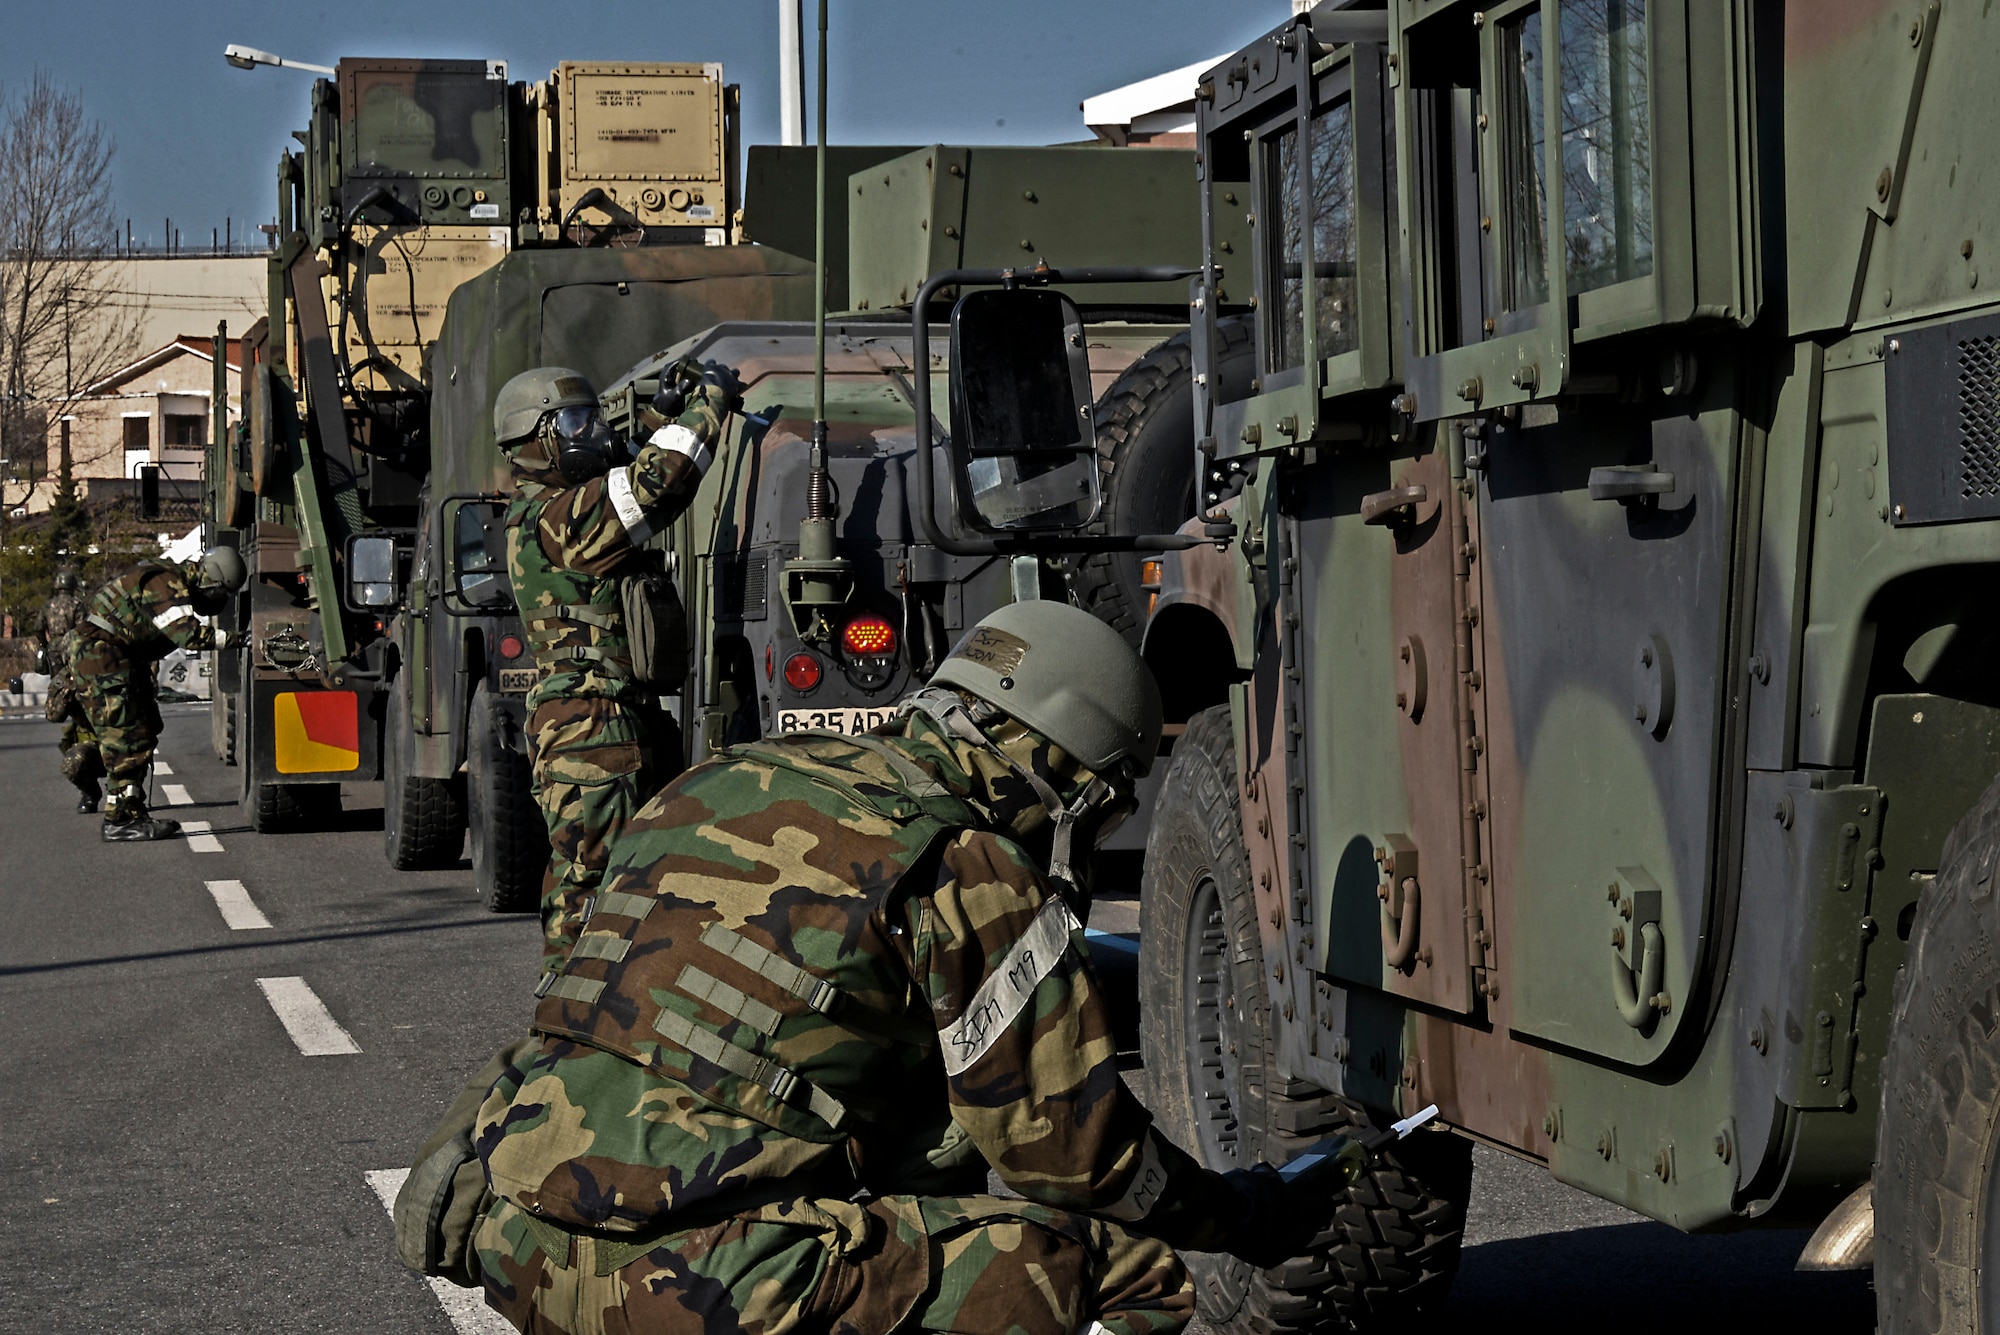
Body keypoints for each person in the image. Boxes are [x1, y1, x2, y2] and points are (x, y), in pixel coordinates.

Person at [461, 601, 1349, 1334]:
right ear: (1066, 778)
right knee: (1124, 1272)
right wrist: (1247, 1215)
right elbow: (1079, 1160)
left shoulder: (716, 778)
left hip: (521, 1245)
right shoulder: (968, 862)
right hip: (684, 1292)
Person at [495, 360, 740, 970]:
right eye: (575, 421)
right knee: (595, 891)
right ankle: (569, 1034)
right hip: (590, 726)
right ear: (539, 438)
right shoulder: (558, 515)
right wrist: (708, 406)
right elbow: (654, 486)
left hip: (607, 716)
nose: (592, 431)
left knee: (639, 881)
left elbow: (619, 464)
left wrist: (659, 412)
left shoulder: (557, 506)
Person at [71, 548, 246, 841]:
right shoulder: (165, 581)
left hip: (113, 657)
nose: (219, 600)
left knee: (143, 730)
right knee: (126, 736)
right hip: (103, 658)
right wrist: (239, 639)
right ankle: (120, 820)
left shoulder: (166, 577)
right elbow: (186, 634)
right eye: (220, 591)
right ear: (210, 578)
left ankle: (131, 811)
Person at [38, 568, 103, 812]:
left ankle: (130, 794)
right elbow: (53, 715)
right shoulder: (66, 678)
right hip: (94, 743)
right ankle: (90, 792)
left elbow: (38, 627)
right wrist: (67, 690)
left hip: (121, 743)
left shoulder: (49, 606)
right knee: (72, 762)